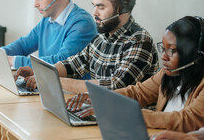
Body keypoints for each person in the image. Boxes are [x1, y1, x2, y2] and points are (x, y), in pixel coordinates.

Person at [19, 0, 158, 91]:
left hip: (129, 120)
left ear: (123, 8)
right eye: (94, 6)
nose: (94, 13)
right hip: (100, 112)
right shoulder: (101, 38)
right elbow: (73, 64)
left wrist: (54, 80)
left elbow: (115, 86)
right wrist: (42, 72)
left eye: (101, 7)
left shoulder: (139, 40)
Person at [70, 16, 204, 133]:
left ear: (195, 54)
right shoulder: (167, 74)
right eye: (163, 48)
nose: (163, 56)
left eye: (171, 50)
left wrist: (127, 113)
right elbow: (137, 93)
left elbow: (187, 120)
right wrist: (101, 98)